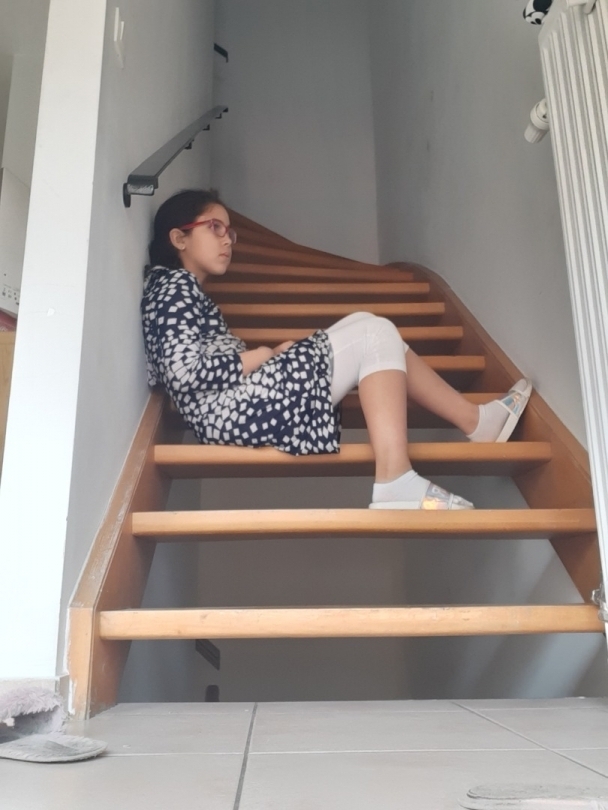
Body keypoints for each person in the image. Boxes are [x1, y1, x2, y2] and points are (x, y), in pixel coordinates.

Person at [141, 189, 532, 511]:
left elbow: (180, 367)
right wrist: (260, 356)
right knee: (374, 332)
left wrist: (268, 357)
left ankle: (475, 421)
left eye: (230, 231)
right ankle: (396, 476)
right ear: (179, 238)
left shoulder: (175, 289)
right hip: (233, 411)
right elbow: (183, 373)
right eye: (215, 228)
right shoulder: (176, 287)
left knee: (367, 323)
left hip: (236, 404)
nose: (227, 239)